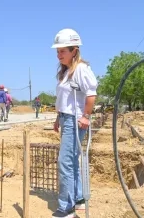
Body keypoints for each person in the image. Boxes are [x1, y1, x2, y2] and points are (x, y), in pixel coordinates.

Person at [51, 28, 98, 218]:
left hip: (75, 120)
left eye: (63, 50)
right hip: (65, 118)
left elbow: (91, 94)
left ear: (74, 50)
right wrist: (57, 118)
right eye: (58, 51)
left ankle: (66, 207)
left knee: (65, 162)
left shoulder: (81, 70)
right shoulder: (66, 71)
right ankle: (78, 197)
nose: (59, 54)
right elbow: (65, 99)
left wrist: (86, 116)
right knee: (71, 161)